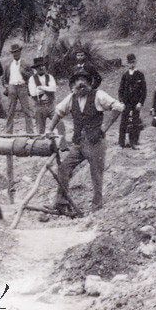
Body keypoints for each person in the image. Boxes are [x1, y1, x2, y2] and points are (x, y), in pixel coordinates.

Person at [48, 73, 124, 216]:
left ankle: (97, 208)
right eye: (77, 80)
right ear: (73, 85)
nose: (80, 83)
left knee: (96, 174)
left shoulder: (98, 95)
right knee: (64, 168)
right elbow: (58, 112)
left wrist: (103, 128)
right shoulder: (71, 98)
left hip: (95, 143)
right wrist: (49, 129)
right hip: (78, 143)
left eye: (83, 80)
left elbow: (118, 107)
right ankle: (61, 203)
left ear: (89, 82)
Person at [116, 53, 147, 148]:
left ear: (135, 62)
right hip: (126, 102)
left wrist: (140, 102)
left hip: (136, 102)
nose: (131, 65)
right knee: (124, 122)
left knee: (135, 122)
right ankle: (121, 142)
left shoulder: (140, 75)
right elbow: (120, 90)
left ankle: (133, 142)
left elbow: (144, 90)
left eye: (133, 62)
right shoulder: (125, 75)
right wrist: (121, 101)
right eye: (129, 63)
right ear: (127, 63)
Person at [4, 43, 33, 133]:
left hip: (22, 87)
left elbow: (32, 76)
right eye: (13, 53)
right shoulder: (8, 64)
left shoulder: (26, 63)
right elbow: (4, 79)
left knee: (26, 110)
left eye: (17, 52)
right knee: (10, 111)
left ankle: (30, 132)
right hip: (12, 87)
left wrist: (24, 72)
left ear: (20, 52)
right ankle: (8, 132)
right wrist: (7, 86)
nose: (15, 54)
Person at [27, 60, 59, 133]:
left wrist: (41, 87)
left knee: (59, 123)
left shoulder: (50, 77)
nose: (41, 68)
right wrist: (47, 88)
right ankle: (41, 143)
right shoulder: (32, 79)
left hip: (51, 105)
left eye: (42, 66)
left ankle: (62, 141)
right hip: (39, 106)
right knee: (40, 129)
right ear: (35, 69)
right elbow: (33, 93)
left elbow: (53, 88)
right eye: (39, 67)